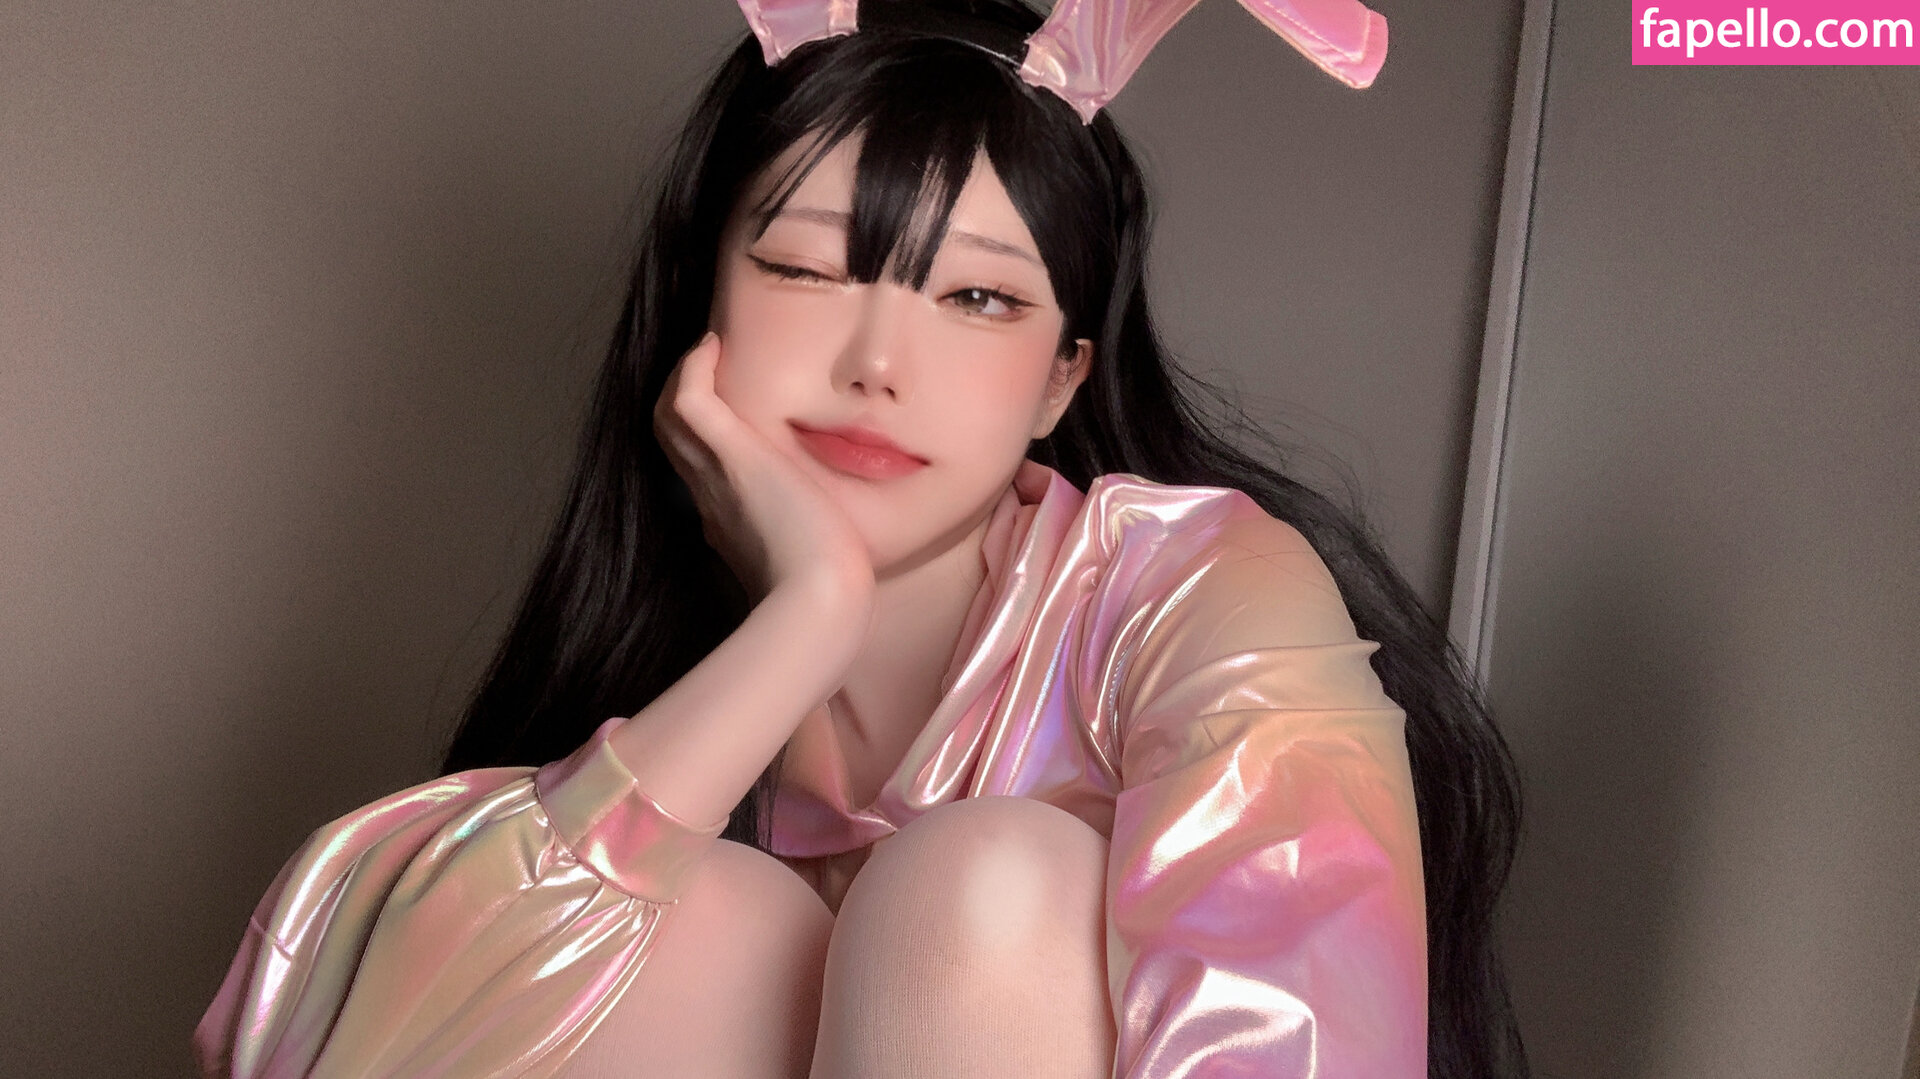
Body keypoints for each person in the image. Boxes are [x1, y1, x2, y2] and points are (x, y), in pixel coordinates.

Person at [195, 1, 1527, 1076]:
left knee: (987, 884)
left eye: (979, 298)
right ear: (702, 300)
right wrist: (803, 620)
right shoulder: (676, 661)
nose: (879, 362)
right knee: (689, 914)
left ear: (1061, 380)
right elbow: (368, 1056)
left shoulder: (1196, 592)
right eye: (806, 267)